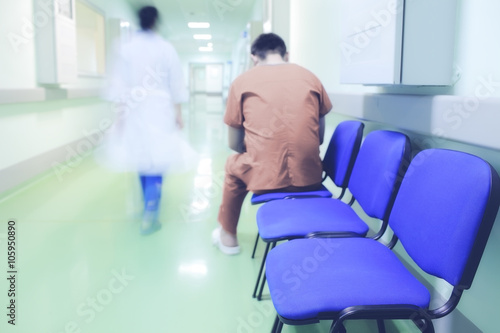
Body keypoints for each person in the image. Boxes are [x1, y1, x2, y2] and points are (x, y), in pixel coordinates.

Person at [212, 33, 332, 255]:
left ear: (254, 57)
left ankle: (228, 236)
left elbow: (234, 143)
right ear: (286, 54)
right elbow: (319, 137)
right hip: (310, 177)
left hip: (264, 179)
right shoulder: (310, 78)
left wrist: (260, 150)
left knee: (232, 166)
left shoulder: (242, 82)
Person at [97, 6, 196, 235]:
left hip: (134, 107)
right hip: (160, 108)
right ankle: (152, 207)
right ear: (156, 23)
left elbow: (118, 84)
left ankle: (146, 205)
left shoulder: (125, 47)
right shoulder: (166, 48)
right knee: (158, 157)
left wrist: (120, 116)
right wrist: (178, 114)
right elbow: (175, 83)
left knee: (140, 156)